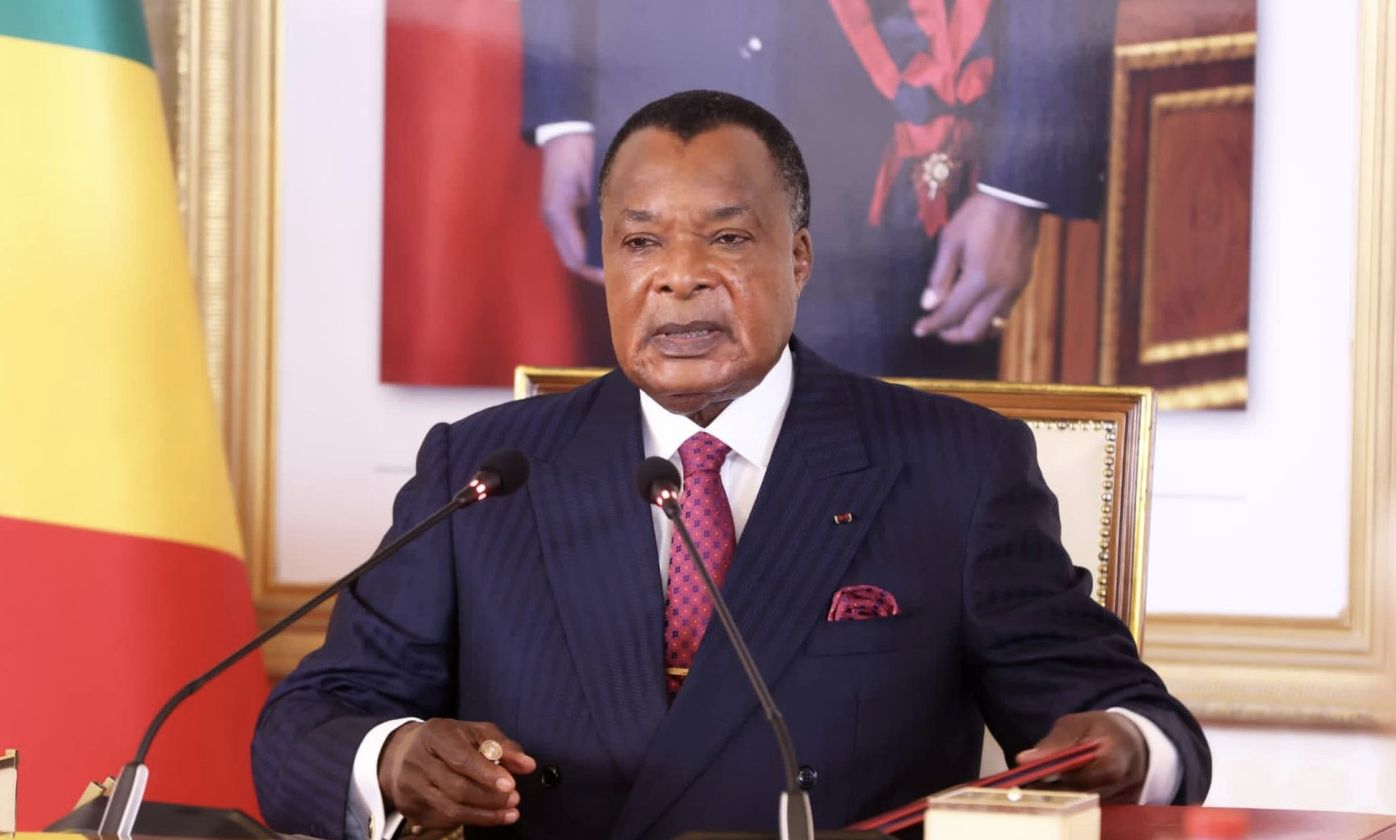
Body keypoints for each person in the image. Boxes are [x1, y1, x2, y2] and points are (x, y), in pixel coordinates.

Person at [252, 91, 1210, 840]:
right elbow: (307, 726)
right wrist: (393, 756)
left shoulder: (955, 467)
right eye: (641, 241)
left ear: (798, 258)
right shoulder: (487, 471)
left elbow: (1136, 725)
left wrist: (1128, 748)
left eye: (726, 237)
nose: (680, 276)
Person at [521, 0, 1118, 378]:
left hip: (881, 137)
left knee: (891, 476)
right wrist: (563, 114)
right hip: (646, 84)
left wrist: (1017, 184)